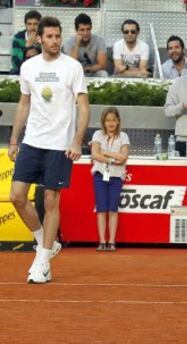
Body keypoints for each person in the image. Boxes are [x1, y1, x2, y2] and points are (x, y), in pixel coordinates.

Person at [8, 16, 90, 284]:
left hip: (59, 145)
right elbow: (23, 104)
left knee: (51, 201)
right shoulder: (28, 67)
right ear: (39, 38)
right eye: (50, 37)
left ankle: (42, 262)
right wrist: (13, 139)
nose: (55, 41)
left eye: (58, 36)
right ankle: (45, 241)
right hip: (32, 142)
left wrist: (77, 140)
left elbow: (84, 107)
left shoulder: (73, 67)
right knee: (17, 197)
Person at [91, 107, 130, 251]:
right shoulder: (97, 134)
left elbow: (124, 156)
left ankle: (112, 241)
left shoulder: (123, 136)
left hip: (116, 177)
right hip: (100, 176)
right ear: (103, 122)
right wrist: (113, 159)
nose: (111, 123)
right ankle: (102, 241)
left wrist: (105, 153)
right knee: (101, 209)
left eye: (113, 120)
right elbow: (95, 154)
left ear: (118, 121)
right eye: (108, 120)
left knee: (113, 209)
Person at [63, 13, 108, 77]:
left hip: (93, 72)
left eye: (88, 29)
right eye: (82, 30)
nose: (85, 33)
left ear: (91, 28)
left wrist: (88, 69)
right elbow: (71, 65)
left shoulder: (99, 41)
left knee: (103, 74)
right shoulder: (69, 43)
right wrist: (77, 44)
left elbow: (103, 65)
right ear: (76, 30)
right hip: (77, 74)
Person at [10, 10, 42, 75]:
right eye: (29, 24)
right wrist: (27, 46)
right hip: (23, 70)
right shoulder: (18, 38)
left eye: (35, 24)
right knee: (13, 71)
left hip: (40, 70)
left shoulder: (45, 36)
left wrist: (41, 45)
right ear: (25, 25)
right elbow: (15, 64)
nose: (32, 27)